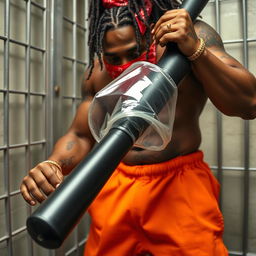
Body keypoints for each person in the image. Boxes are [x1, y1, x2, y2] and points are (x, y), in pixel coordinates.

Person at [20, 0, 256, 255]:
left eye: (133, 53)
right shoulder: (99, 69)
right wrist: (54, 164)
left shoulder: (187, 39)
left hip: (178, 185)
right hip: (116, 181)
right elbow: (80, 134)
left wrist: (196, 50)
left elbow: (249, 104)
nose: (124, 65)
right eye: (114, 57)